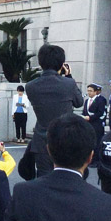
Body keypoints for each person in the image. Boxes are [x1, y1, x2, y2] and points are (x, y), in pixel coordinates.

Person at [24, 44, 83, 178]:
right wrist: (68, 76)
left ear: (40, 62)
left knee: (43, 179)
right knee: (67, 179)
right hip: (65, 139)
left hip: (41, 140)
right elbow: (79, 102)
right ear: (62, 64)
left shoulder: (30, 86)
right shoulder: (68, 84)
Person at [82, 83, 106, 154]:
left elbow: (100, 112)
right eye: (88, 91)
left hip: (96, 124)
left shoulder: (100, 100)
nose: (89, 92)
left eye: (90, 91)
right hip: (88, 125)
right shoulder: (87, 101)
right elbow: (84, 111)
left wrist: (90, 117)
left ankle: (96, 160)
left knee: (97, 142)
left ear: (95, 92)